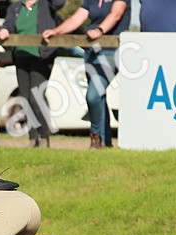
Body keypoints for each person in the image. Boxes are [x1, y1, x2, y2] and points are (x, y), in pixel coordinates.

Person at [43, 0, 129, 149]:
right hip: (91, 51)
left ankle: (95, 137)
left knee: (93, 95)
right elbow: (76, 19)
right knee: (99, 97)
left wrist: (100, 30)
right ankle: (105, 141)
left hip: (111, 51)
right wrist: (56, 31)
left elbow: (116, 15)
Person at [0, 0, 65, 147]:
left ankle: (44, 136)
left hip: (41, 57)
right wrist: (4, 30)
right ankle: (32, 138)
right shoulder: (16, 7)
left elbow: (60, 3)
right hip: (21, 56)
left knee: (36, 97)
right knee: (25, 98)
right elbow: (9, 23)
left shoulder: (46, 4)